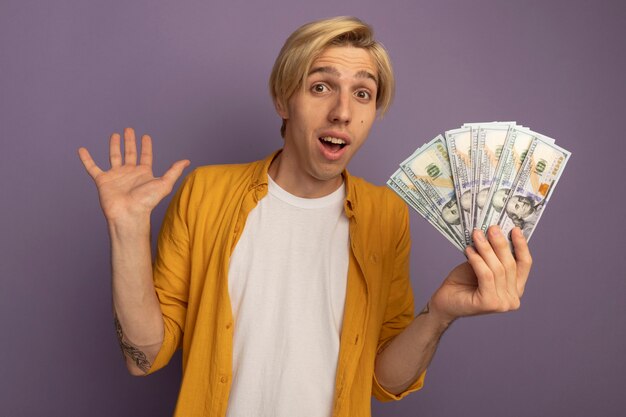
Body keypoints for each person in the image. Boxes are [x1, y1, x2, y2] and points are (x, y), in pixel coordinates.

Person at [78, 16, 532, 417]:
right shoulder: (206, 192)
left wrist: (439, 315)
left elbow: (383, 380)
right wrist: (128, 230)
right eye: (321, 87)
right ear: (283, 99)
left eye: (363, 93)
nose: (342, 112)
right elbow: (143, 358)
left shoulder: (385, 215)